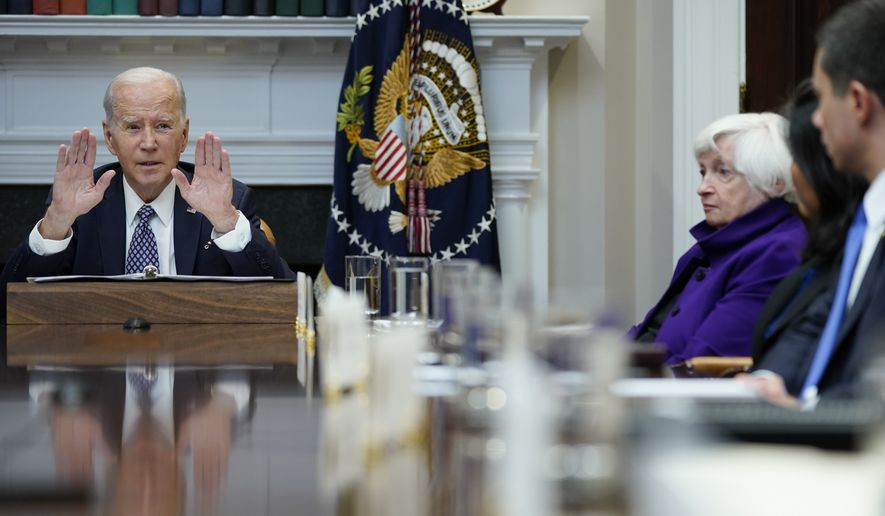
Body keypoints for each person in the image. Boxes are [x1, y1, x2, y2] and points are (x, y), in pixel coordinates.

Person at [0, 67, 294, 300]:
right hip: (101, 366)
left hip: (197, 364)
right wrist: (55, 225)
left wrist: (226, 221)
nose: (149, 143)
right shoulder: (79, 203)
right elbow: (8, 305)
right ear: (110, 137)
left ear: (183, 135)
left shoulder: (229, 199)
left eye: (163, 126)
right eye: (133, 127)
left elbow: (286, 299)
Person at [742, 0, 885, 406]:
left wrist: (809, 413)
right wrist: (766, 382)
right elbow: (824, 320)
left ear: (857, 102)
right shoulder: (869, 216)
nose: (816, 120)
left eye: (822, 100)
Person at [628, 112, 806, 365]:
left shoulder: (779, 252)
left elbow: (705, 363)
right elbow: (651, 334)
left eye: (723, 172)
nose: (703, 188)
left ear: (775, 183)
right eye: (703, 172)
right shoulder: (708, 247)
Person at [748, 81, 866, 389]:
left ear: (827, 166)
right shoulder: (822, 257)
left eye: (796, 157)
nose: (790, 172)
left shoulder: (862, 251)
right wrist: (767, 380)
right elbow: (802, 335)